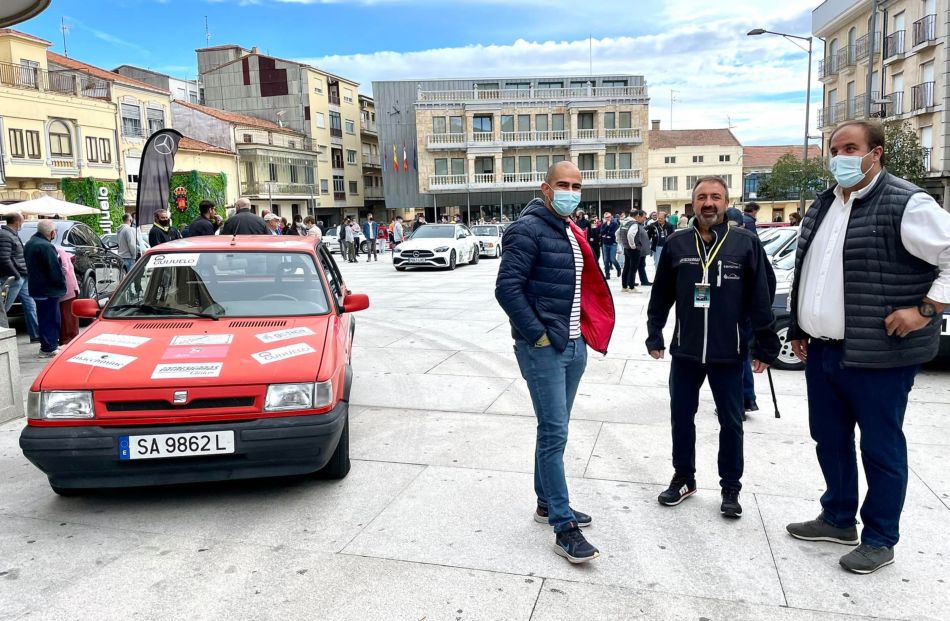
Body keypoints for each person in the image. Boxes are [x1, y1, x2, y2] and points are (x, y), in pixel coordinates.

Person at [785, 120, 950, 575]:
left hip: (879, 356)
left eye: (850, 147)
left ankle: (880, 537)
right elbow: (813, 271)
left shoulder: (907, 202)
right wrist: (801, 324)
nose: (840, 156)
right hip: (823, 352)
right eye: (834, 148)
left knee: (880, 449)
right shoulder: (825, 204)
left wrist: (926, 310)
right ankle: (838, 518)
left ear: (875, 153)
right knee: (830, 441)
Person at [495, 161, 615, 564]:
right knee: (554, 433)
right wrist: (539, 336)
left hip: (573, 345)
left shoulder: (569, 228)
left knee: (552, 429)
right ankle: (563, 527)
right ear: (545, 188)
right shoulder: (526, 229)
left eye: (577, 185)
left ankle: (546, 503)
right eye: (563, 184)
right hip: (545, 347)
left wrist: (575, 338)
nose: (570, 191)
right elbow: (507, 290)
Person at [646, 176, 780, 519]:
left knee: (732, 423)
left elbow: (761, 296)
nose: (709, 203)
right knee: (681, 418)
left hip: (728, 352)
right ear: (692, 203)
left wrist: (764, 345)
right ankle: (684, 477)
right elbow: (660, 293)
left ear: (726, 201)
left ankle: (730, 487)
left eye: (715, 197)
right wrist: (655, 333)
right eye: (702, 197)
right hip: (686, 351)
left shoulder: (745, 243)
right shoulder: (677, 243)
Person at [24, 220, 67, 357]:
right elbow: (54, 270)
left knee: (44, 318)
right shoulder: (46, 247)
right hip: (48, 289)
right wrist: (62, 284)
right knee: (51, 318)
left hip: (36, 287)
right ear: (52, 233)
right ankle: (49, 347)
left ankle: (47, 346)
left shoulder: (30, 243)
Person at [54, 243, 79, 345]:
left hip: (67, 288)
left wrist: (57, 279)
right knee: (66, 315)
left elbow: (65, 267)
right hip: (68, 288)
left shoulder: (59, 250)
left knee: (67, 315)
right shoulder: (58, 250)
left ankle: (69, 339)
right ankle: (67, 338)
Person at [617, 211, 639, 293]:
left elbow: (617, 233)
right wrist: (633, 245)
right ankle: (632, 287)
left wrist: (621, 243)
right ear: (636, 215)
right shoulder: (634, 223)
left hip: (626, 248)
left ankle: (624, 286)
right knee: (633, 268)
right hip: (632, 249)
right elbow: (630, 234)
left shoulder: (623, 222)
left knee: (626, 267)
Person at [632, 210, 652, 287]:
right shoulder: (635, 226)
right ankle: (630, 281)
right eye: (644, 217)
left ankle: (644, 281)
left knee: (641, 266)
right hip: (638, 250)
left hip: (642, 251)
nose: (645, 219)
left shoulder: (640, 225)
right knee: (634, 267)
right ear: (638, 217)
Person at [599, 211, 621, 279]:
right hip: (605, 244)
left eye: (608, 217)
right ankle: (607, 274)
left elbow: (614, 233)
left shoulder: (615, 224)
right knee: (605, 260)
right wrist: (607, 227)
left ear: (611, 217)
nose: (607, 218)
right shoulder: (604, 224)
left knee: (612, 259)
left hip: (613, 243)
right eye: (606, 217)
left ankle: (618, 268)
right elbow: (602, 233)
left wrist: (607, 234)